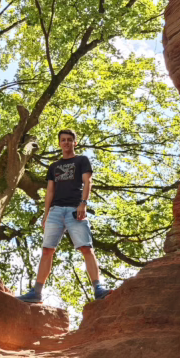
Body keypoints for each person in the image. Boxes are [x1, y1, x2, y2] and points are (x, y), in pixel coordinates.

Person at [18, 129, 112, 303]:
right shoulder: (53, 167)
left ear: (74, 143)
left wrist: (83, 203)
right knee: (47, 250)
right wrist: (45, 215)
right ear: (59, 143)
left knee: (86, 248)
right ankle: (36, 292)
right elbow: (50, 191)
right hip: (55, 211)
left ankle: (98, 288)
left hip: (74, 209)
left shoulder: (82, 160)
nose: (66, 142)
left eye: (70, 140)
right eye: (63, 140)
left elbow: (87, 181)